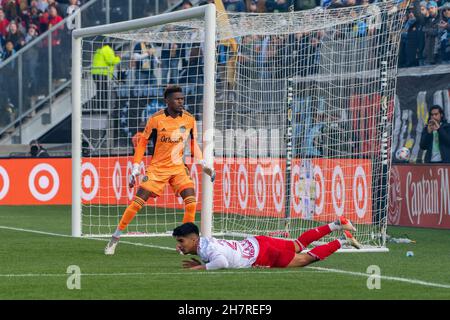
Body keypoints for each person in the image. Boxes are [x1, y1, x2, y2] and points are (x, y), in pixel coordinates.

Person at [104, 85, 215, 255]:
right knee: (137, 203)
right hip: (157, 169)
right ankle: (115, 237)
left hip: (178, 168)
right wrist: (135, 166)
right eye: (177, 99)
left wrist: (202, 162)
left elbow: (193, 144)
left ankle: (185, 245)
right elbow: (142, 143)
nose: (181, 101)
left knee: (191, 203)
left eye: (182, 99)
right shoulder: (156, 119)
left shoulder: (189, 119)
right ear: (167, 101)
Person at [172, 217, 361, 270]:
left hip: (261, 255)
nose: (179, 246)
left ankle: (342, 240)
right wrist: (204, 263)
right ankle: (336, 224)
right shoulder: (204, 242)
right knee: (298, 243)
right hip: (258, 242)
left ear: (194, 239)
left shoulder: (208, 248)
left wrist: (201, 268)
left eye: (181, 241)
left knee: (304, 259)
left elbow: (222, 262)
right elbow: (215, 255)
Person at [91, 42, 121, 109]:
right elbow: (111, 61)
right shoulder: (107, 49)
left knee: (100, 91)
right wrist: (118, 58)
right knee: (103, 91)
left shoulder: (100, 50)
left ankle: (99, 106)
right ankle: (103, 107)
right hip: (101, 73)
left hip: (95, 73)